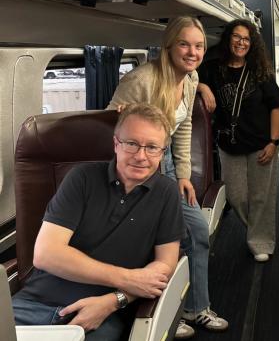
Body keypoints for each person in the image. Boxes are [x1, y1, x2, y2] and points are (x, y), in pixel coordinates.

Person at [12, 104, 183, 341]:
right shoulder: (81, 179)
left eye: (152, 147)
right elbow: (46, 254)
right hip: (35, 303)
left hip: (104, 313)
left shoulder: (167, 193)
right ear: (116, 144)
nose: (141, 156)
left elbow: (164, 267)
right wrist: (127, 279)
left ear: (162, 152)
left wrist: (113, 301)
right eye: (131, 143)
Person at [107, 16, 227, 337]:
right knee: (160, 241)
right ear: (169, 46)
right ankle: (168, 310)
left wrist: (183, 175)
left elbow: (183, 127)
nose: (192, 51)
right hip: (137, 173)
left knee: (195, 232)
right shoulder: (142, 80)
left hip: (167, 167)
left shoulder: (189, 80)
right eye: (185, 44)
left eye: (199, 46)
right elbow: (110, 131)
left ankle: (195, 307)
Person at [197, 19, 279, 262]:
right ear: (228, 39)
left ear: (252, 43)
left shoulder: (260, 73)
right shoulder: (213, 69)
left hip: (260, 144)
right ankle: (256, 230)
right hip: (229, 145)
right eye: (237, 37)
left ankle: (261, 241)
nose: (241, 42)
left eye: (246, 39)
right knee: (236, 196)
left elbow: (275, 108)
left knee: (261, 196)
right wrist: (202, 87)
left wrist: (274, 142)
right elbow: (190, 78)